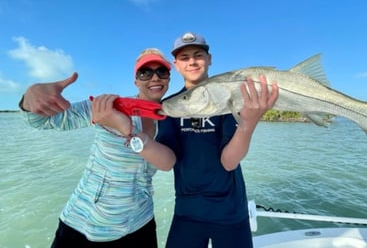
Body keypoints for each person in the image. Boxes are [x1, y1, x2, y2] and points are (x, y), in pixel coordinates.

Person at [19, 48, 176, 248]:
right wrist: (29, 98)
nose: (155, 78)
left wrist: (127, 131)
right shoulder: (109, 106)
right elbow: (40, 121)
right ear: (136, 80)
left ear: (169, 79)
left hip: (139, 223)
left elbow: (168, 162)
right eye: (145, 73)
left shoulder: (169, 118)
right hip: (85, 223)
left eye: (162, 71)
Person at [156, 32, 279, 248]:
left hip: (230, 212)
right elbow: (167, 162)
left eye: (198, 55)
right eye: (184, 58)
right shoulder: (170, 106)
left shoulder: (228, 97)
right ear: (175, 65)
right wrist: (133, 138)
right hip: (187, 213)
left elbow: (229, 162)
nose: (192, 61)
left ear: (209, 59)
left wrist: (247, 125)